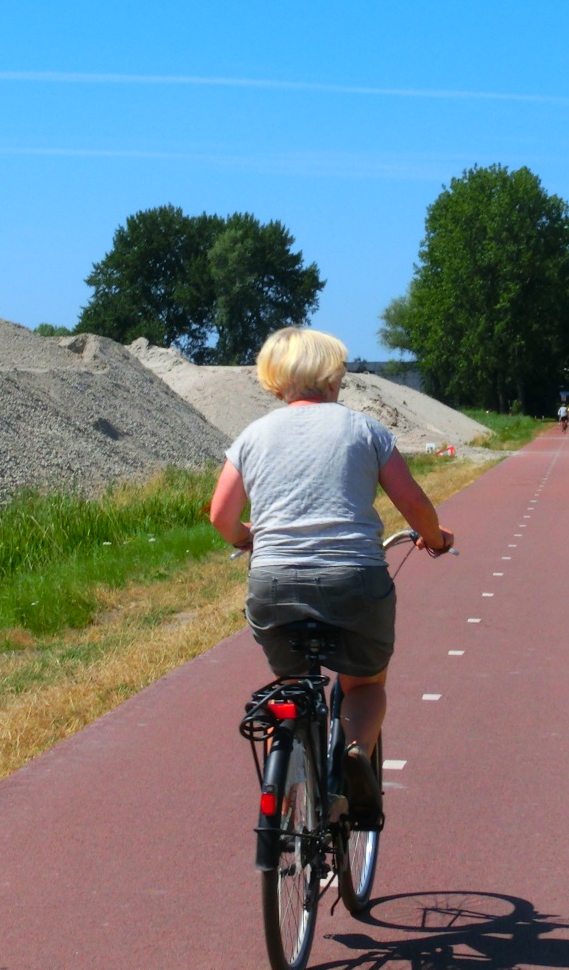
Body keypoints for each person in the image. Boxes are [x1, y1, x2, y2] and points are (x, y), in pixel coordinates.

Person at [209, 326, 454, 828]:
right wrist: (434, 537)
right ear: (332, 375)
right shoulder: (364, 430)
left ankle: (292, 769)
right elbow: (412, 504)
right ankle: (357, 753)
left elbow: (221, 516)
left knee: (295, 683)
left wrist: (247, 538)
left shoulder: (253, 437)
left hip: (274, 585)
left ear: (276, 379)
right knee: (364, 685)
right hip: (354, 581)